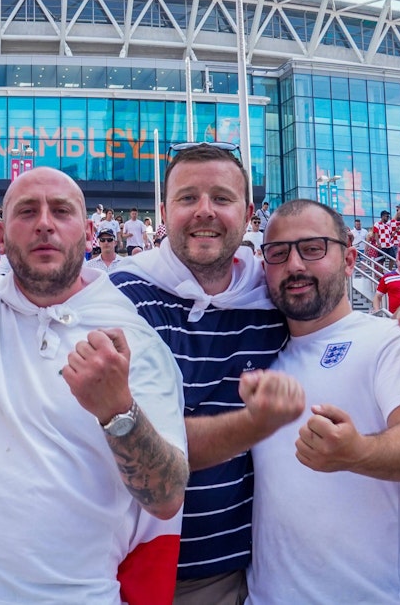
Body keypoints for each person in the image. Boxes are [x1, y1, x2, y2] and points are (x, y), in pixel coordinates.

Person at [0, 168, 187, 604]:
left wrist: (118, 411)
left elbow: (166, 498)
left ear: (88, 232)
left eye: (61, 211)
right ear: (1, 235)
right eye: (26, 211)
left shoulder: (134, 341)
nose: (44, 223)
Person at [107, 142, 285, 603]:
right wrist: (254, 422)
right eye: (188, 198)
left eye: (221, 198)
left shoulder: (271, 300)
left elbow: (335, 322)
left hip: (218, 574)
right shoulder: (122, 295)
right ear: (164, 212)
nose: (205, 211)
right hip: (118, 565)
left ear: (248, 214)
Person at [247, 200, 400, 604]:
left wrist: (357, 452)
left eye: (313, 249)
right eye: (279, 253)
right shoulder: (260, 357)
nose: (295, 265)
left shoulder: (389, 341)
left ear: (350, 259)